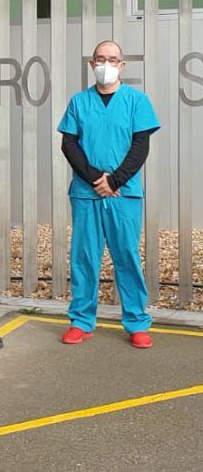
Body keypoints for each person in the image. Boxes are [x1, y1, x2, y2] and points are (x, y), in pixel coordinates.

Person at [58, 41, 160, 349]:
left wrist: (114, 181)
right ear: (91, 64)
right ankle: (81, 321)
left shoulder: (137, 101)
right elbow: (69, 144)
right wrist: (94, 179)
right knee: (84, 257)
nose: (106, 64)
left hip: (123, 193)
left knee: (126, 256)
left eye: (113, 59)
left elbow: (140, 147)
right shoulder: (79, 102)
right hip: (86, 193)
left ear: (122, 65)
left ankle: (136, 322)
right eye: (100, 59)